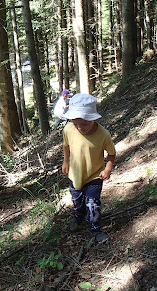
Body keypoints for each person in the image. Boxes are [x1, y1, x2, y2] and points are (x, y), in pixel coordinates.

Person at [61, 93, 116, 243]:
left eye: (84, 123)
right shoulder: (68, 129)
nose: (80, 127)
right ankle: (78, 216)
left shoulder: (103, 135)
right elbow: (66, 145)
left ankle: (96, 229)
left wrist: (108, 169)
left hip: (94, 176)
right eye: (75, 123)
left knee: (92, 203)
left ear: (92, 118)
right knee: (77, 201)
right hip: (75, 175)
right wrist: (66, 161)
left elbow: (111, 154)